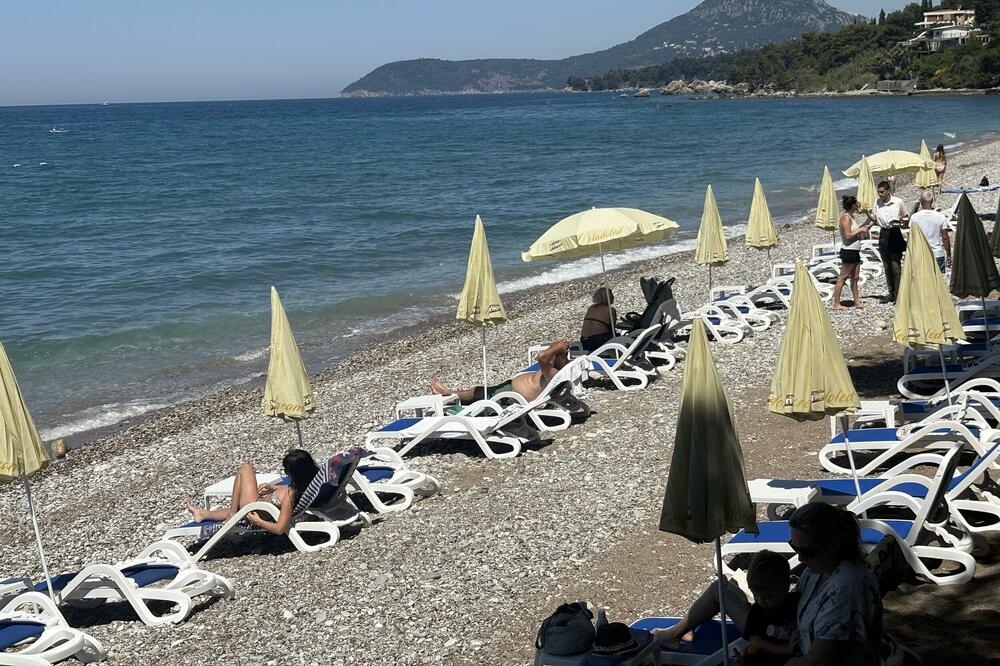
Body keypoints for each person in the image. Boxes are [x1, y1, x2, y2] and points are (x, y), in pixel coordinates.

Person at [653, 551, 799, 665]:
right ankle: (686, 626)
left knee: (719, 588)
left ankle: (674, 635)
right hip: (770, 626)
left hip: (770, 637)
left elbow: (757, 642)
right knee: (727, 578)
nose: (761, 602)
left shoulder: (761, 612)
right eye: (756, 596)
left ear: (786, 585)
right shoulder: (786, 599)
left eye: (768, 598)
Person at [786, 502, 881, 666]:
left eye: (807, 551)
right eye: (795, 548)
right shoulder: (814, 571)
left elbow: (818, 660)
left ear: (833, 545)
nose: (800, 558)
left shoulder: (848, 585)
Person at [185, 449, 319, 535]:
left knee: (245, 468)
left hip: (253, 506)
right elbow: (288, 492)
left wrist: (257, 521)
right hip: (259, 504)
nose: (285, 472)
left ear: (294, 472)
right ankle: (202, 514)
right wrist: (274, 489)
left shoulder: (291, 496)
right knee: (236, 505)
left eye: (286, 469)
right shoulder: (311, 480)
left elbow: (280, 528)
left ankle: (232, 516)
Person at [431, 338, 569, 404]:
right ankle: (451, 394)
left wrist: (556, 348)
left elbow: (541, 357)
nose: (552, 357)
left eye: (557, 355)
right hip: (511, 391)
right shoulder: (558, 369)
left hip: (510, 397)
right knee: (480, 391)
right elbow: (546, 357)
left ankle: (448, 395)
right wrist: (556, 347)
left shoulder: (553, 373)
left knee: (477, 392)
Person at [833, 196, 874, 311]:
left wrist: (865, 222)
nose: (858, 205)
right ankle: (836, 303)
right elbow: (848, 235)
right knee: (843, 277)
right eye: (856, 204)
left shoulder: (851, 216)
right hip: (848, 250)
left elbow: (854, 230)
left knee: (855, 277)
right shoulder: (845, 218)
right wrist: (861, 230)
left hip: (855, 250)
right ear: (852, 205)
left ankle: (856, 301)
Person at [873, 181, 908, 303]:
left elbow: (906, 217)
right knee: (887, 266)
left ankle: (899, 293)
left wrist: (901, 221)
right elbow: (875, 220)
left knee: (895, 266)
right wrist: (867, 214)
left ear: (888, 191)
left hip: (895, 232)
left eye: (882, 192)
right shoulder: (877, 203)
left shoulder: (898, 202)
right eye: (879, 192)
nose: (880, 194)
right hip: (883, 233)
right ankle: (891, 292)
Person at [909, 190, 951, 273]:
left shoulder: (914, 217)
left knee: (923, 282)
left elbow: (911, 237)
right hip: (937, 253)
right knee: (938, 283)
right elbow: (945, 238)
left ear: (920, 201)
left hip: (921, 253)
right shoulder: (940, 216)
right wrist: (948, 254)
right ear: (932, 201)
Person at [580, 288, 617, 353]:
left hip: (584, 341)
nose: (613, 296)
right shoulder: (611, 310)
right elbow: (612, 329)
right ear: (609, 297)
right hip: (598, 340)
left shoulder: (591, 308)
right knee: (617, 337)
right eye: (612, 295)